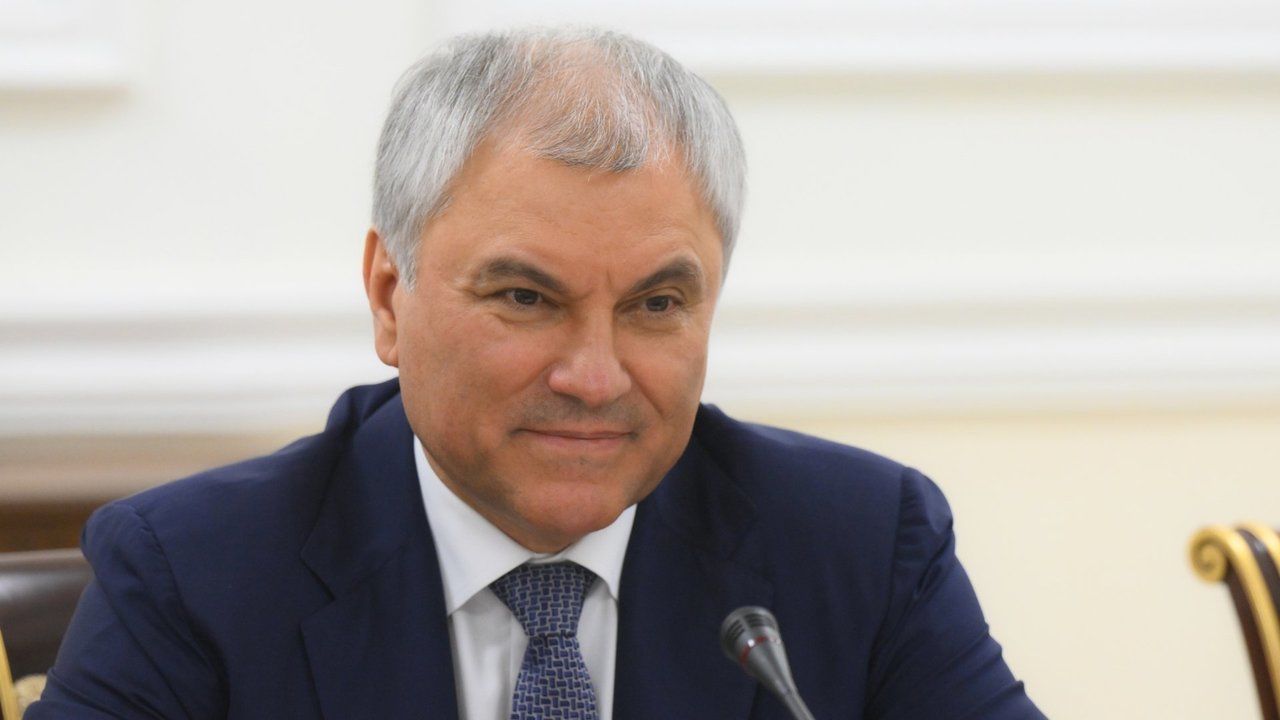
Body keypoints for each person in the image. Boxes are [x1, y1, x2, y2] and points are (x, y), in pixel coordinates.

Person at [29, 27, 1046, 720]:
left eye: (656, 305)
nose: (595, 378)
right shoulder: (193, 576)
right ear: (389, 297)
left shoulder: (862, 548)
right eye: (524, 297)